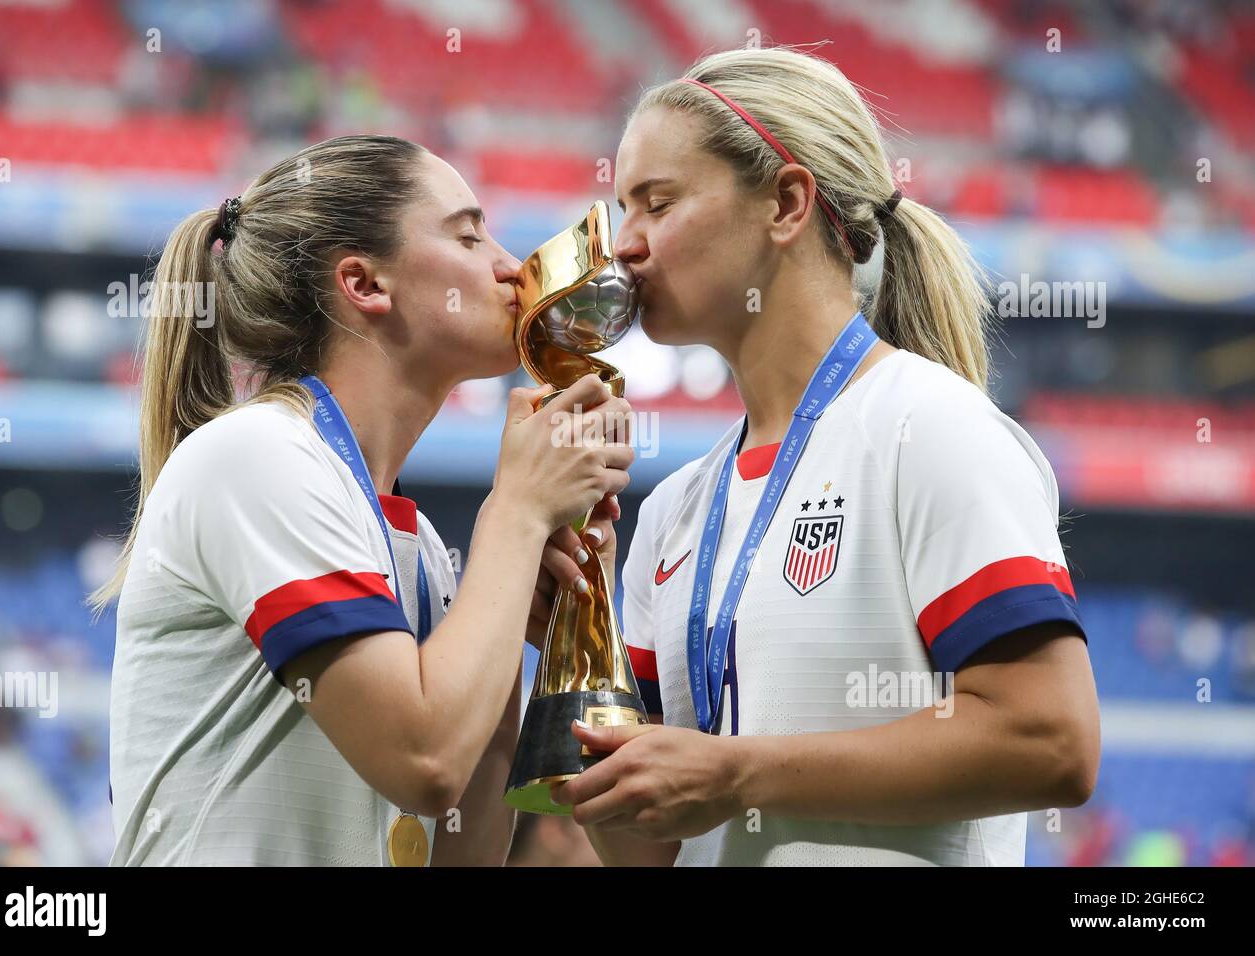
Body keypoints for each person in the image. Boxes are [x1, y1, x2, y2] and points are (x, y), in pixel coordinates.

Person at [542, 47, 1099, 866]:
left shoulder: (929, 428)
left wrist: (742, 774)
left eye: (657, 204)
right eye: (622, 208)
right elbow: (647, 850)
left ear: (787, 203)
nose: (622, 245)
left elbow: (1052, 739)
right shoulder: (668, 515)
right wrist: (573, 651)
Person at [92, 134, 634, 865]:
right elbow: (424, 760)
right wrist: (516, 514)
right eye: (470, 236)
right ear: (365, 284)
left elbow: (461, 845)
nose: (512, 267)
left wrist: (503, 616)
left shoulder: (418, 549)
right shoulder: (255, 457)